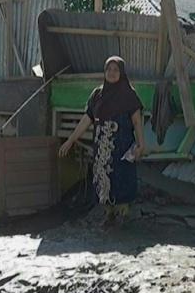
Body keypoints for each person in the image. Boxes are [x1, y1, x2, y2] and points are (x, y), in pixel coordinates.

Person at [58, 56, 145, 226]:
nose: (111, 73)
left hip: (122, 147)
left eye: (115, 70)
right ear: (104, 72)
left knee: (122, 178)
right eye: (108, 70)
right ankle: (109, 214)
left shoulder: (129, 95)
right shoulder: (97, 95)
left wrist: (142, 143)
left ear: (121, 72)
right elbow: (86, 120)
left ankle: (123, 214)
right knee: (104, 178)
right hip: (102, 149)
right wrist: (70, 141)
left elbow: (136, 121)